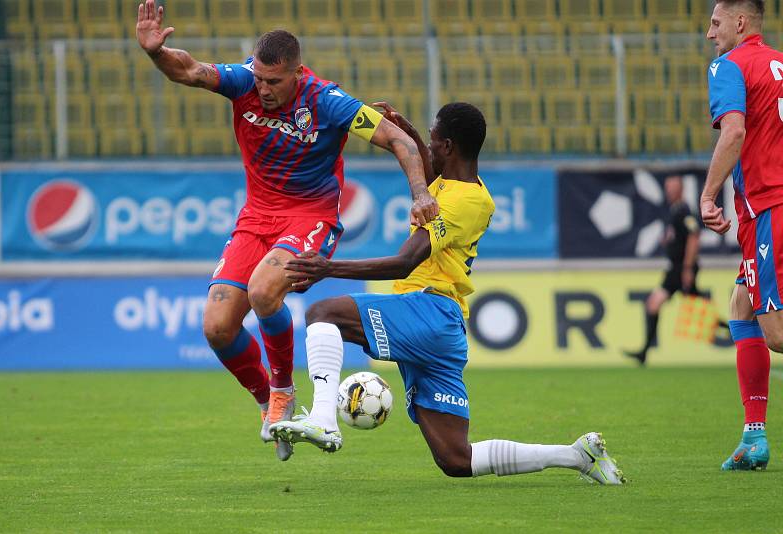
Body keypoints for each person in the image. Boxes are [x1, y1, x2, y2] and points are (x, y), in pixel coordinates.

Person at [135, 1, 439, 461]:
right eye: (258, 78)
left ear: (297, 73)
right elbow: (190, 71)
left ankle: (282, 390)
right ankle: (267, 401)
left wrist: (419, 194)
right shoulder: (244, 82)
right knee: (217, 328)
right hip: (256, 217)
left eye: (273, 81)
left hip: (309, 216)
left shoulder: (328, 101)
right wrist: (157, 53)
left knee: (263, 293)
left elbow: (397, 140)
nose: (263, 88)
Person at [269, 102, 625, 484]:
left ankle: (324, 421)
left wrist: (327, 268)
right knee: (456, 458)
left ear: (450, 147)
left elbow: (404, 263)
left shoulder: (459, 204)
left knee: (321, 313)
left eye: (435, 140)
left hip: (428, 309)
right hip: (441, 328)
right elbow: (431, 170)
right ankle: (577, 456)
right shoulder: (454, 184)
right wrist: (411, 136)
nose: (429, 147)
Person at [700, 0, 783, 470]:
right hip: (770, 207)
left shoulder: (728, 65)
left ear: (739, 22)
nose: (710, 34)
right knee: (741, 304)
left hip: (770, 204)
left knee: (777, 334)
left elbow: (733, 132)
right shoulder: (779, 64)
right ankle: (754, 436)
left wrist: (708, 196)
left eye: (715, 23)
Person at [624, 175, 705, 365]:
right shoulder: (674, 211)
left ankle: (644, 352)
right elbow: (681, 236)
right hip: (676, 268)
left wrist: (687, 269)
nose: (668, 191)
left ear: (681, 189)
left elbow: (694, 237)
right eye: (667, 187)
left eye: (672, 187)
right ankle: (735, 329)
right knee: (699, 308)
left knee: (654, 304)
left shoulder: (684, 211)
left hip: (680, 269)